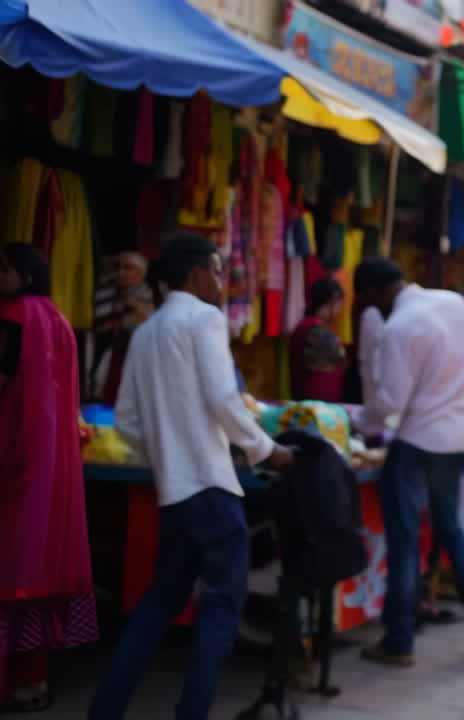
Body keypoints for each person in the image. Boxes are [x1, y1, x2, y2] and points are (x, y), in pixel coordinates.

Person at [90, 233, 295, 720]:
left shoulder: (147, 331)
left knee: (159, 603)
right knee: (222, 606)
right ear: (197, 273)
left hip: (175, 493)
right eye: (219, 271)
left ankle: (105, 709)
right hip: (209, 488)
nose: (223, 282)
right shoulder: (204, 319)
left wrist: (165, 455)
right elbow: (224, 401)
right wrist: (269, 451)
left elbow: (127, 422)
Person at [353, 258, 464, 666]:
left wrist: (355, 418)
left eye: (366, 301)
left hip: (415, 444)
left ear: (376, 292)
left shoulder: (399, 327)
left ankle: (400, 641)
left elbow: (390, 403)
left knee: (405, 544)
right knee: (452, 532)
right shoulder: (452, 303)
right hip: (453, 440)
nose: (370, 311)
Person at [0, 244, 97, 713]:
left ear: (24, 274)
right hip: (51, 466)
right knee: (33, 571)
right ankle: (31, 681)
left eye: (4, 269)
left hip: (11, 461)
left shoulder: (12, 317)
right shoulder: (58, 320)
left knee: (7, 568)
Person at [90, 251, 156, 404]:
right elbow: (95, 322)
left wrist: (134, 308)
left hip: (131, 360)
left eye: (128, 268)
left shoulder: (148, 298)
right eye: (117, 266)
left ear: (141, 274)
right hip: (102, 354)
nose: (121, 272)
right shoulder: (103, 293)